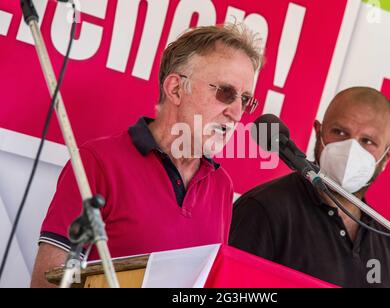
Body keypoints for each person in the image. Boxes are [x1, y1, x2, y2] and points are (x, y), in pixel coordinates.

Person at [31, 23, 264, 288]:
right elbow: (47, 282)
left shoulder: (222, 186)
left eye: (245, 100)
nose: (236, 113)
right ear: (176, 89)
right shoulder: (97, 161)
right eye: (225, 92)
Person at [230, 87, 390, 288]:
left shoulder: (388, 241)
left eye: (368, 141)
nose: (351, 150)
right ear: (318, 132)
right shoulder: (264, 210)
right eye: (340, 132)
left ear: (386, 157)